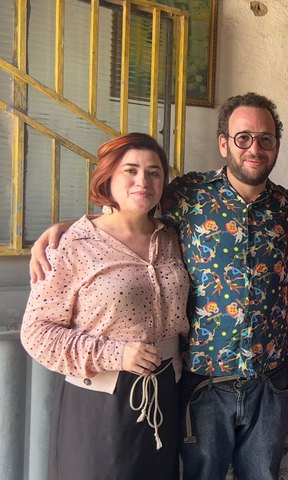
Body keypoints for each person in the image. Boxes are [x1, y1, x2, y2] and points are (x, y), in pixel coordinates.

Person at [29, 93, 288, 480]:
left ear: (276, 145)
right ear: (224, 142)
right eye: (243, 138)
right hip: (206, 383)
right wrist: (65, 230)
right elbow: (130, 211)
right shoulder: (188, 195)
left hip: (269, 383)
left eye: (266, 139)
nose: (254, 148)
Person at [21, 133, 189, 480]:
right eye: (131, 170)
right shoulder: (73, 244)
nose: (143, 180)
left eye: (154, 172)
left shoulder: (173, 238)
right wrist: (116, 354)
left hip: (166, 396)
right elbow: (36, 333)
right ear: (108, 178)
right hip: (100, 405)